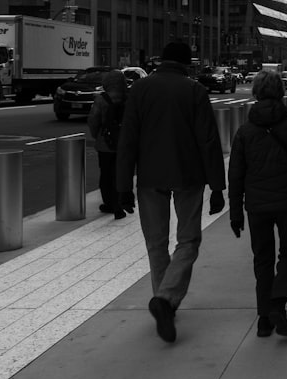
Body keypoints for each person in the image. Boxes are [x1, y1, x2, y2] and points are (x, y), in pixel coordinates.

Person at [117, 41, 226, 344]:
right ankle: (166, 298)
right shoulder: (194, 91)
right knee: (188, 240)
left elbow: (128, 140)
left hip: (150, 176)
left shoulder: (140, 89)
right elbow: (208, 140)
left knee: (156, 243)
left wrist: (123, 186)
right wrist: (217, 186)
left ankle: (163, 300)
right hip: (188, 175)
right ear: (185, 63)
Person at [229, 70, 287, 338]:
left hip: (256, 204)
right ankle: (278, 301)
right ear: (280, 92)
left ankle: (264, 319)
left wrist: (235, 212)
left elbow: (236, 174)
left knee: (263, 259)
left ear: (256, 92)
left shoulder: (245, 131)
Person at [87, 70, 133, 219]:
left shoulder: (102, 99)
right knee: (122, 173)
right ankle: (122, 201)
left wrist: (97, 136)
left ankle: (110, 203)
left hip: (106, 144)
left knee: (106, 175)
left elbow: (94, 120)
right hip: (125, 143)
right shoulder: (129, 98)